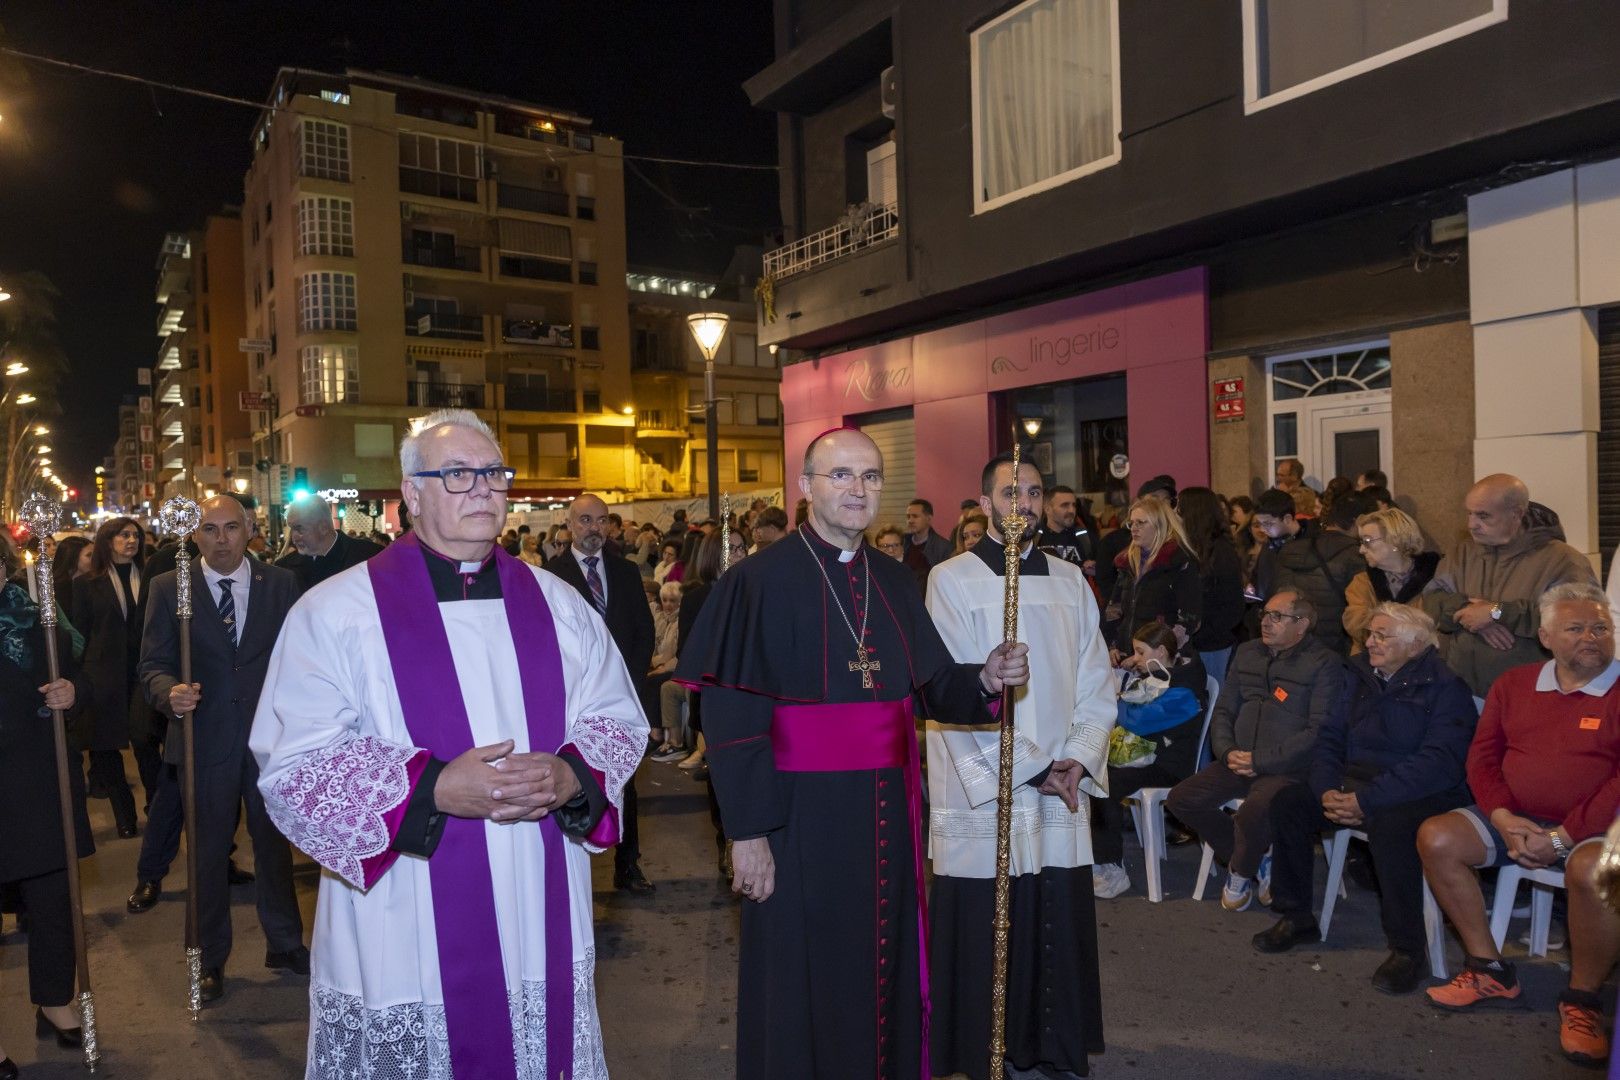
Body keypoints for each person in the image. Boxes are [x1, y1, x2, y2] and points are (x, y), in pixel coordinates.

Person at [252, 409, 647, 1078]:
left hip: (536, 883)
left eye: (494, 473)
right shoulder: (335, 613)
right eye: (458, 474)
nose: (484, 490)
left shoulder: (560, 605)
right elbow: (295, 765)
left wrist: (571, 776)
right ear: (411, 494)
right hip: (405, 903)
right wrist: (433, 788)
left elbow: (615, 718)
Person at [675, 426, 1029, 1080]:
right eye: (841, 475)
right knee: (797, 978)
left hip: (885, 820)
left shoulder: (895, 580)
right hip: (796, 820)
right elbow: (732, 718)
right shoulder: (757, 581)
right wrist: (747, 834)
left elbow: (929, 685)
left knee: (880, 969)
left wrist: (985, 679)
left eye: (869, 477)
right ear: (807, 488)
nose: (857, 489)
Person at [923, 451, 1113, 1079]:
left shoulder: (1069, 580)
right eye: (1010, 492)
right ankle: (985, 1048)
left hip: (1060, 780)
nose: (1023, 504)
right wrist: (1027, 768)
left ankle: (1051, 1045)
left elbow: (1095, 674)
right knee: (987, 918)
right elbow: (946, 685)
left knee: (1052, 905)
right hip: (989, 777)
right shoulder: (950, 580)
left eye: (1032, 492)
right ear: (983, 505)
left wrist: (1078, 758)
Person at [1417, 582, 1620, 1067]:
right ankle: (1489, 968)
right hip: (1517, 815)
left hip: (1597, 827)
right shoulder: (1515, 684)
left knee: (1594, 869)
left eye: (1602, 627)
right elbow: (1483, 758)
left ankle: (1582, 1000)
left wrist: (1563, 837)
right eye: (1576, 628)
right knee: (1436, 835)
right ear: (1546, 636)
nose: (1592, 636)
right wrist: (1503, 816)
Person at [134, 494, 306, 1003]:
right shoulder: (170, 588)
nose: (222, 540)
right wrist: (171, 693)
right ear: (194, 535)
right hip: (202, 738)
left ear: (251, 528)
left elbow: (302, 656)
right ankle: (208, 958)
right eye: (210, 530)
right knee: (207, 855)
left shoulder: (281, 584)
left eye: (232, 528)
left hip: (269, 739)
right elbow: (151, 665)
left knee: (274, 846)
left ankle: (285, 941)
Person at [1254, 605, 1474, 996]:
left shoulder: (1445, 687)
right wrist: (1326, 790)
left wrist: (1367, 800)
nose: (1369, 641)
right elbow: (1330, 739)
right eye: (1370, 633)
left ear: (1415, 644)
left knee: (1393, 827)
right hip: (1356, 783)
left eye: (1381, 635)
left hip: (1419, 792)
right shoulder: (1359, 677)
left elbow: (1438, 763)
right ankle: (1296, 915)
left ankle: (1408, 950)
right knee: (1289, 801)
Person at [1166, 590, 1343, 912]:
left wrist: (1261, 761)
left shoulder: (1324, 663)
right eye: (1265, 614)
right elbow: (1223, 711)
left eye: (1278, 616)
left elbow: (1319, 730)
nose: (1266, 622)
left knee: (1254, 812)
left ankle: (1239, 871)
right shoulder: (1247, 653)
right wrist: (1227, 750)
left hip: (1288, 767)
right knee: (1181, 799)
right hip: (1238, 758)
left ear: (1301, 624)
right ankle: (1256, 857)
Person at [0, 529, 92, 1065]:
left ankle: (56, 1001)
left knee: (53, 897)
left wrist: (71, 692)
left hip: (36, 776)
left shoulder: (36, 612)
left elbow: (76, 672)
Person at [544, 492, 657, 896]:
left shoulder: (627, 572)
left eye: (601, 520)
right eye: (586, 520)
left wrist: (630, 684)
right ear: (570, 524)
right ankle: (570, 875)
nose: (595, 528)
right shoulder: (551, 574)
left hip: (620, 697)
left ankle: (628, 867)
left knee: (626, 783)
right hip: (575, 699)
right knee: (572, 782)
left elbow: (644, 632)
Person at [1421, 474, 1596, 703]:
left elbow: (1577, 623)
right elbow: (1432, 599)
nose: (1471, 524)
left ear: (1516, 515)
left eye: (1483, 515)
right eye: (1469, 513)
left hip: (1532, 696)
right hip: (1462, 693)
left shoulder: (1563, 560)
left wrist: (1498, 612)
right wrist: (1469, 613)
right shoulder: (1461, 554)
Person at [1091, 623, 1208, 895]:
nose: (1135, 659)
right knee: (1093, 773)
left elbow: (1139, 722)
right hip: (1148, 756)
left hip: (1167, 765)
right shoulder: (1160, 676)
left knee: (1103, 784)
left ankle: (1111, 867)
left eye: (1141, 652)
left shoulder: (1184, 688)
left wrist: (1117, 698)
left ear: (1162, 650)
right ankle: (1097, 856)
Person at [70, 516, 159, 837]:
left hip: (141, 672)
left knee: (144, 738)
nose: (131, 541)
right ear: (108, 541)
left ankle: (157, 805)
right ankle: (124, 817)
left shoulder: (150, 578)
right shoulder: (86, 583)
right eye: (123, 535)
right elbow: (80, 632)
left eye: (135, 535)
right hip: (102, 674)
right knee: (105, 746)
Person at [1101, 496, 1201, 659]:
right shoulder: (1126, 563)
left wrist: (1157, 652)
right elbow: (1114, 610)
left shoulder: (1180, 562)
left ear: (1160, 525)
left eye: (1141, 522)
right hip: (1127, 657)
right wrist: (1111, 646)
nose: (1134, 528)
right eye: (1131, 523)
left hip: (1164, 659)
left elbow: (1190, 619)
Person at [1274, 492, 1369, 655]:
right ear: (1357, 522)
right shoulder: (1356, 555)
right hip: (1335, 648)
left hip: (1290, 640)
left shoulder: (1291, 548)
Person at [1343, 506, 1438, 653]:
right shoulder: (1362, 582)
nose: (1361, 549)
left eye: (1367, 541)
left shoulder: (1437, 576)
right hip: (1371, 663)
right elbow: (1356, 625)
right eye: (1361, 542)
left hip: (1422, 662)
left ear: (1394, 541)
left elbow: (1437, 625)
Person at [1179, 486, 1245, 684]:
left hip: (1212, 644)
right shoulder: (1194, 549)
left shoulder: (1220, 552)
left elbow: (1231, 604)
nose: (1176, 515)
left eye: (1179, 510)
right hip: (1197, 642)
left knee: (1213, 698)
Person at [275, 494, 383, 592]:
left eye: (299, 529)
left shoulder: (371, 557)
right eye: (292, 529)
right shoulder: (285, 569)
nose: (294, 537)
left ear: (323, 527)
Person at [1034, 483, 1100, 575]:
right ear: (1047, 509)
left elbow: (1104, 572)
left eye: (1074, 505)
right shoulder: (1035, 538)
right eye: (1065, 505)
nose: (1071, 510)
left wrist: (1096, 570)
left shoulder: (1085, 537)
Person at [902, 497, 952, 589]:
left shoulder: (943, 547)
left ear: (929, 518)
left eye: (915, 516)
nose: (910, 521)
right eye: (908, 517)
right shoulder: (902, 542)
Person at [51, 534, 92, 617]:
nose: (96, 559)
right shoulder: (57, 590)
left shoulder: (96, 583)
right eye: (89, 555)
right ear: (72, 558)